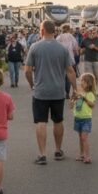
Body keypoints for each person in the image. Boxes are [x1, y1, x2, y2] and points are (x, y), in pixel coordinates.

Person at [25, 20, 78, 164]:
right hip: (58, 91)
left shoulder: (35, 47)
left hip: (40, 91)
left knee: (41, 121)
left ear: (42, 31)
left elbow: (28, 70)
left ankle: (42, 154)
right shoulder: (62, 49)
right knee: (58, 120)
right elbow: (70, 71)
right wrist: (75, 88)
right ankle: (58, 150)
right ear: (54, 31)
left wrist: (32, 84)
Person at [72, 72, 97, 163]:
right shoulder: (79, 93)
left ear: (89, 83)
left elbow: (92, 105)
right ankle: (82, 154)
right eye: (81, 80)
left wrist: (84, 98)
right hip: (77, 118)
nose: (81, 82)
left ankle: (87, 156)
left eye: (84, 81)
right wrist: (74, 99)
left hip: (86, 119)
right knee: (80, 138)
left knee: (84, 138)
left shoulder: (90, 94)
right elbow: (71, 105)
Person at [56, 23, 81, 97]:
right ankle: (67, 92)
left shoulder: (58, 37)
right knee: (69, 75)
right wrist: (76, 54)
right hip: (70, 59)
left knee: (61, 76)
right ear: (68, 29)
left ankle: (62, 91)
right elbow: (76, 48)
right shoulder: (71, 37)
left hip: (60, 59)